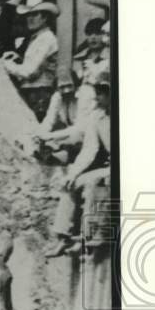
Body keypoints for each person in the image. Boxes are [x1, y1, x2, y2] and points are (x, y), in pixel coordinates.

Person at [46, 69, 112, 258]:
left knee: (93, 183)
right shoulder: (97, 116)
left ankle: (88, 237)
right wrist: (72, 173)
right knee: (71, 183)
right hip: (109, 167)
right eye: (97, 93)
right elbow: (89, 149)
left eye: (102, 93)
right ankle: (62, 237)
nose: (98, 98)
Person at [2, 0, 60, 122]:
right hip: (32, 92)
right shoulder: (37, 38)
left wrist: (6, 65)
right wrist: (19, 58)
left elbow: (30, 72)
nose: (30, 19)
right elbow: (34, 64)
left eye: (35, 15)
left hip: (40, 94)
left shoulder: (47, 39)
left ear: (45, 17)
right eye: (28, 15)